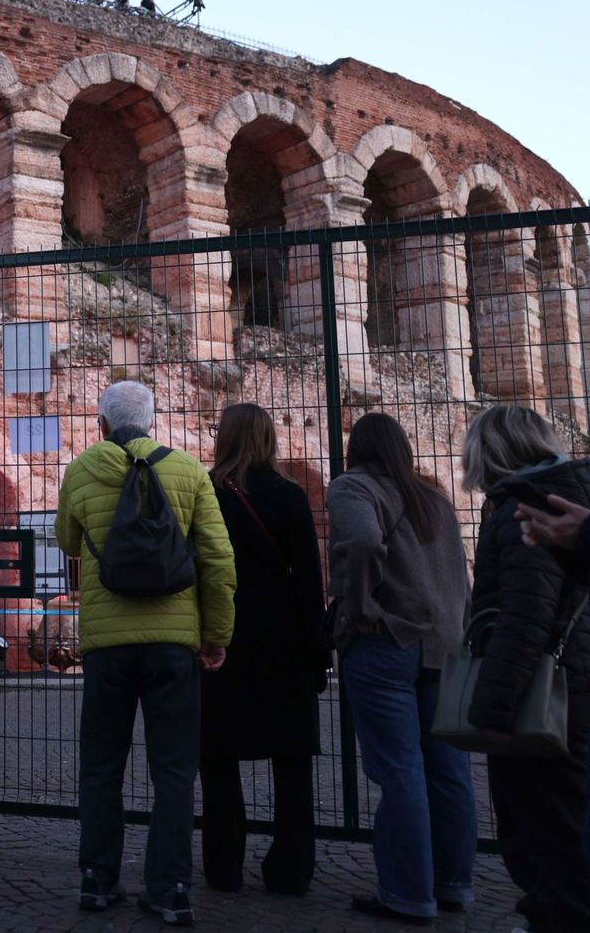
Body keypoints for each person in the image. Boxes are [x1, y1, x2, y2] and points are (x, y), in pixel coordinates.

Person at [56, 380, 235, 927]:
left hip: (108, 645)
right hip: (174, 643)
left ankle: (97, 878)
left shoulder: (82, 469)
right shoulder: (187, 471)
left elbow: (67, 540)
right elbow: (218, 562)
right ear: (152, 421)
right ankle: (171, 887)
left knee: (102, 765)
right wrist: (216, 635)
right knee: (175, 769)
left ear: (101, 424)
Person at [328, 413, 474, 926]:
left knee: (400, 771)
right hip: (446, 644)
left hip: (388, 639)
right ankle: (454, 884)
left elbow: (365, 542)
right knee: (450, 771)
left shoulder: (354, 487)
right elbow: (460, 572)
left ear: (357, 448)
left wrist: (362, 604)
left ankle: (408, 893)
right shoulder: (434, 497)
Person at [461, 405, 590, 933]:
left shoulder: (527, 508)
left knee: (545, 832)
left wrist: (491, 709)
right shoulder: (572, 499)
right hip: (573, 686)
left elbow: (524, 616)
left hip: (543, 697)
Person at [199, 403, 325, 896]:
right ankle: (291, 869)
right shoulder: (290, 496)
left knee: (218, 758)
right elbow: (310, 582)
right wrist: (317, 649)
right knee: (291, 759)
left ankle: (223, 866)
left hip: (222, 635)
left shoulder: (207, 491)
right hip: (284, 637)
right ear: (269, 438)